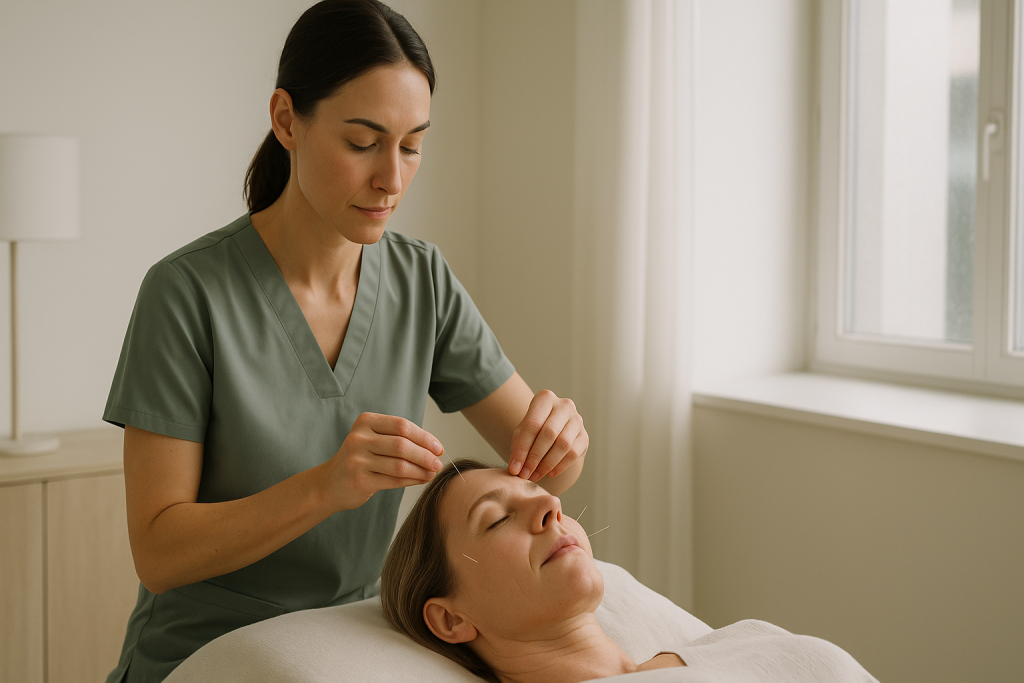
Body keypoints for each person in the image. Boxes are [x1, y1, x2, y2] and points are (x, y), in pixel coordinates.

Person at [102, 2, 586, 681]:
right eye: (363, 142)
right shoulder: (185, 294)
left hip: (347, 645)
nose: (392, 177)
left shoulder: (423, 281)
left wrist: (562, 437)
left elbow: (543, 468)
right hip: (207, 652)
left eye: (412, 145)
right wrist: (327, 486)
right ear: (286, 120)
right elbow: (158, 551)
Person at [381, 460, 880, 683]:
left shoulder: (740, 641)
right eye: (496, 519)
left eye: (539, 495)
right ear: (451, 619)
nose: (552, 506)